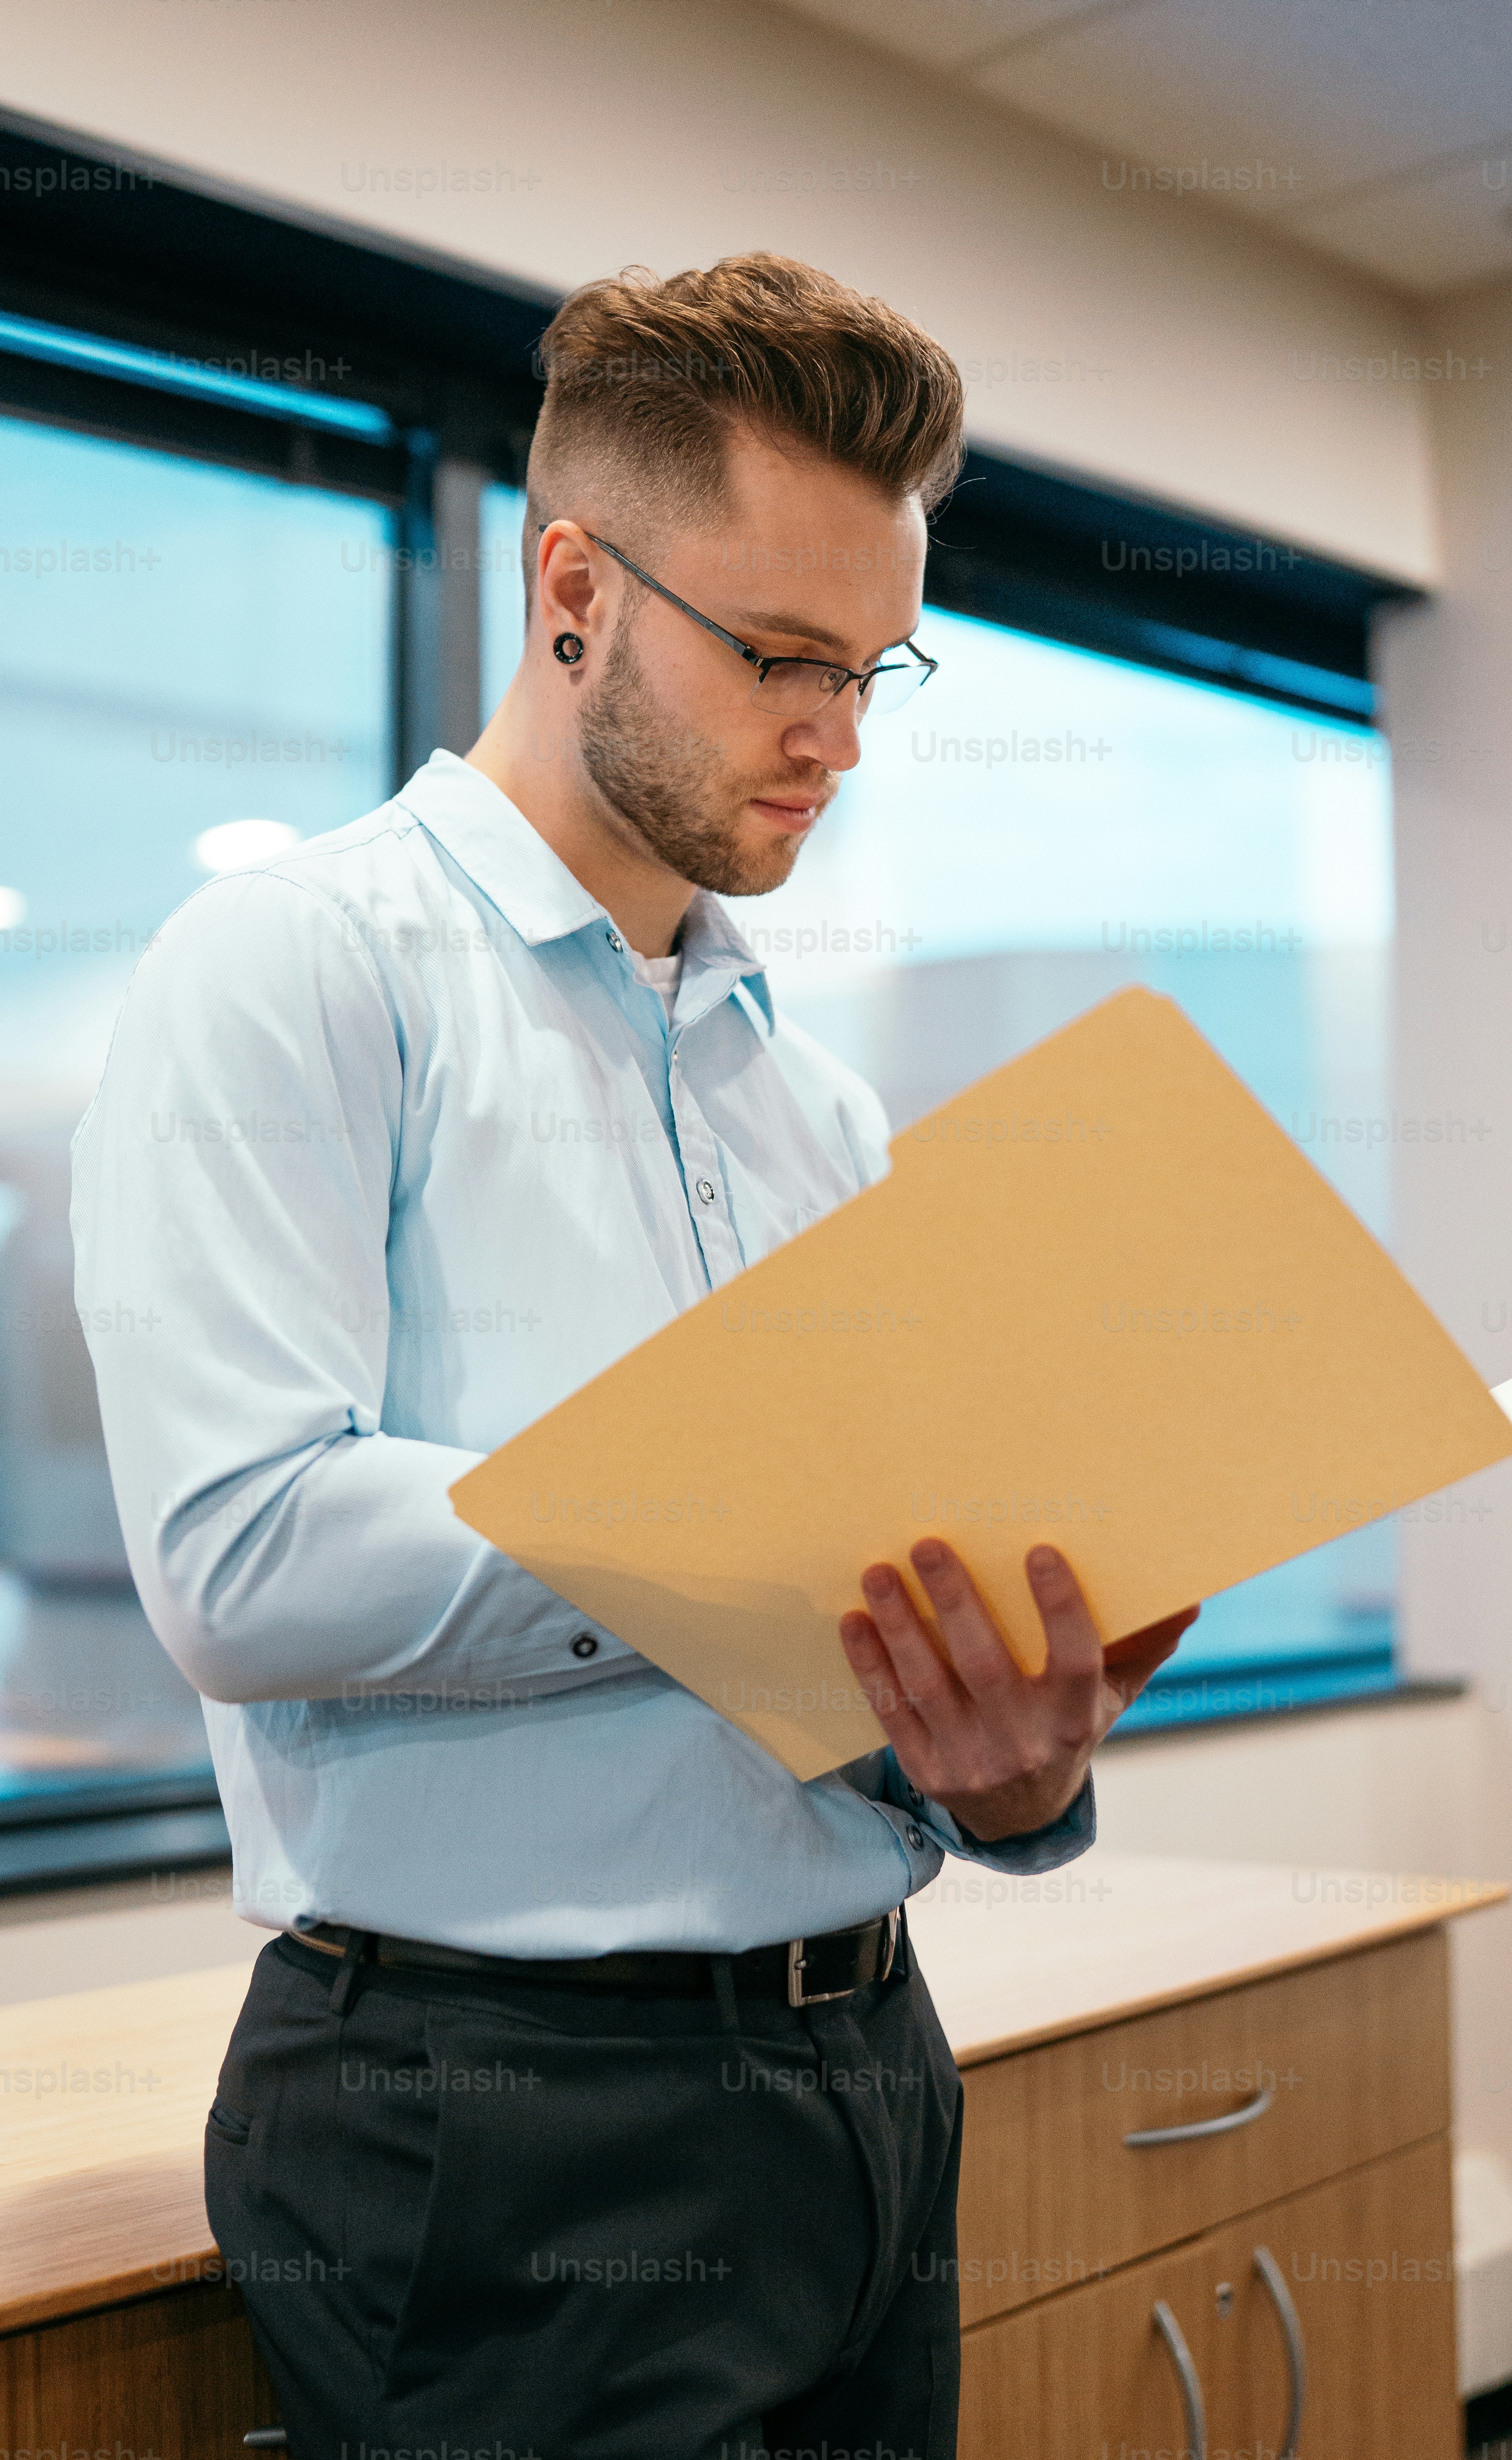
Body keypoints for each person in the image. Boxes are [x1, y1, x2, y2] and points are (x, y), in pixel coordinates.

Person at [72, 251, 1195, 2460]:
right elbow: (242, 1555)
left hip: (864, 2063)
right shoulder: (300, 969)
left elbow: (832, 1667)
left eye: (877, 671)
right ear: (571, 585)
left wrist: (996, 1767)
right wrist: (746, 1515)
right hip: (498, 2127)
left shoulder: (816, 1100)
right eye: (781, 657)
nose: (839, 741)